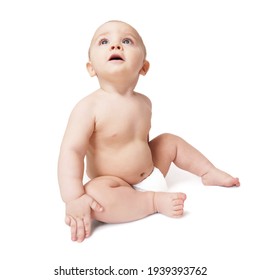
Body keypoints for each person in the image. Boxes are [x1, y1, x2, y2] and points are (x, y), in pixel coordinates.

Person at [58, 20, 240, 242]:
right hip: (114, 184)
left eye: (126, 41)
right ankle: (152, 202)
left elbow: (140, 142)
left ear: (143, 67)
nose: (115, 46)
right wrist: (74, 198)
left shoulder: (145, 102)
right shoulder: (88, 107)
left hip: (151, 171)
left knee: (169, 141)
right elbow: (72, 151)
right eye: (104, 41)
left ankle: (208, 171)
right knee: (94, 196)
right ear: (91, 68)